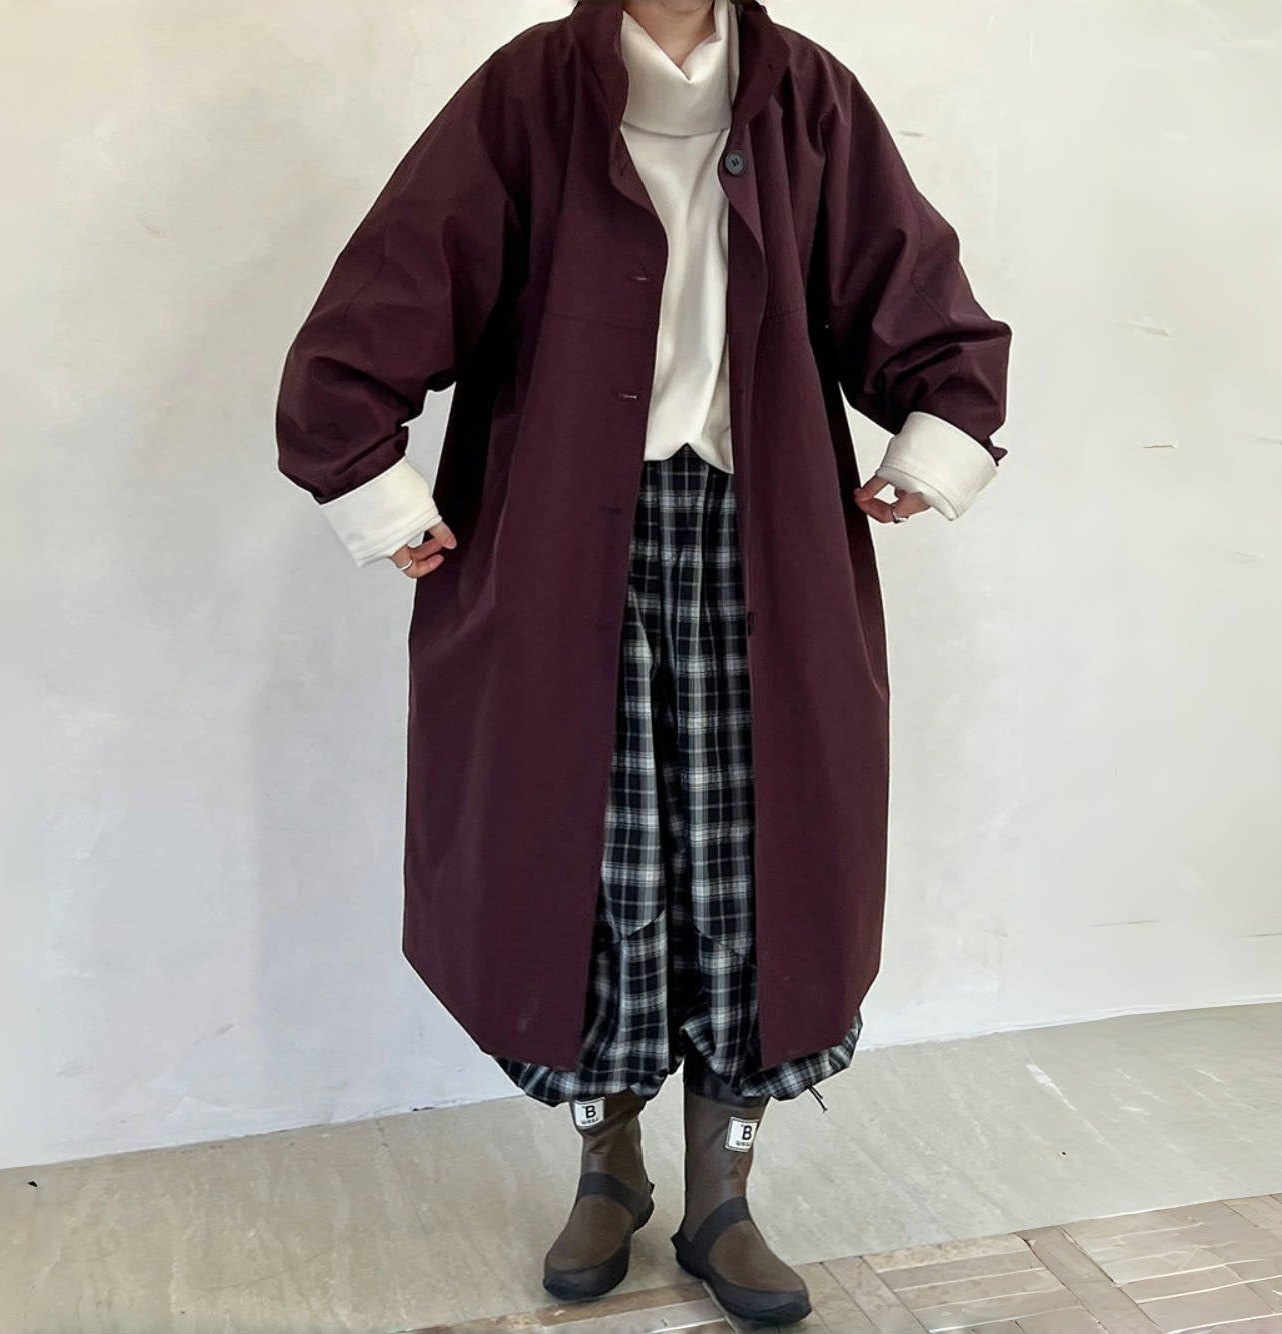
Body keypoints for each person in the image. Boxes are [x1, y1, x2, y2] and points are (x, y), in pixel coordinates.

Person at [275, 0, 1011, 1324]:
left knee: (750, 860)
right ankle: (606, 1169)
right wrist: (372, 484)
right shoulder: (526, 94)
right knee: (591, 856)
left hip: (761, 533)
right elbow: (393, 287)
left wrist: (934, 434)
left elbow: (911, 292)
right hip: (563, 537)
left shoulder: (807, 99)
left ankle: (723, 1196)